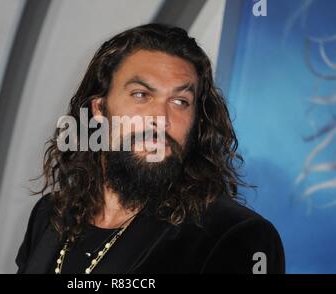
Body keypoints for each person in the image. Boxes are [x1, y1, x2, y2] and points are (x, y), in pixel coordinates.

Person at [15, 23, 285, 274]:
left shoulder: (235, 235)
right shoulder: (52, 213)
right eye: (141, 95)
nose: (161, 118)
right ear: (99, 109)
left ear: (196, 121)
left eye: (180, 101)